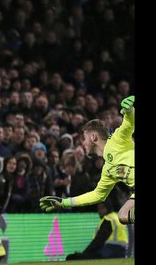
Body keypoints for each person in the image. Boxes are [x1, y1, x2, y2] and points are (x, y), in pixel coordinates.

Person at [40, 95, 135, 225]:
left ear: (94, 137)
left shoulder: (117, 139)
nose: (82, 143)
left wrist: (129, 111)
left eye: (84, 139)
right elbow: (96, 195)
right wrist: (64, 202)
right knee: (123, 216)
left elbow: (129, 124)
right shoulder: (108, 170)